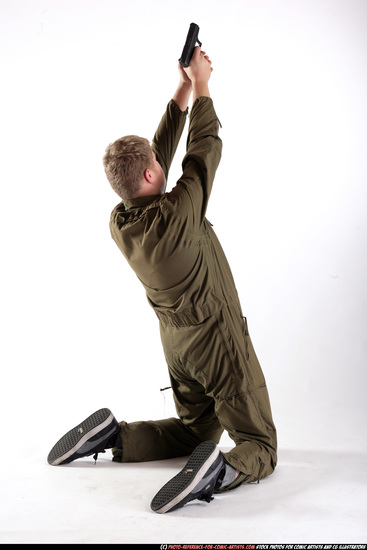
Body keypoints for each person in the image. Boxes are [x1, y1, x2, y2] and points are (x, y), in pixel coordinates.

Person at [47, 46, 277, 514]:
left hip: (178, 347)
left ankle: (118, 438)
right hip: (218, 341)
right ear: (152, 172)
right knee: (260, 443)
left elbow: (160, 160)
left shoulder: (122, 220)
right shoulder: (179, 213)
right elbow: (203, 149)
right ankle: (222, 471)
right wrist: (205, 86)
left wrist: (182, 93)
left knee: (196, 430)